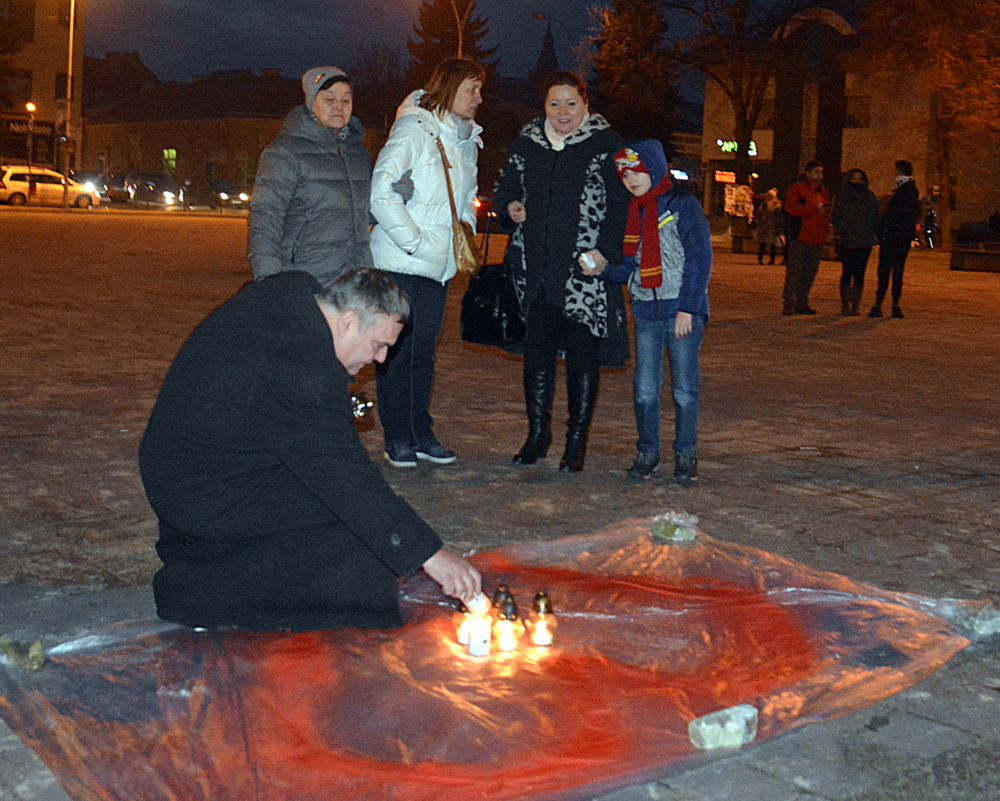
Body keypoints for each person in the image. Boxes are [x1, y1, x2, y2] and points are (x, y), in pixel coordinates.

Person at [139, 268, 482, 631]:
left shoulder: (292, 295)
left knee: (348, 515)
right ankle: (198, 591)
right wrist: (429, 554)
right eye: (378, 344)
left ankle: (200, 559)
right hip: (200, 490)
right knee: (353, 546)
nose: (381, 359)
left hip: (186, 464)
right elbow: (344, 476)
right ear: (347, 322)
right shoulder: (302, 366)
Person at [493, 70, 630, 473]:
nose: (563, 111)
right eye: (554, 103)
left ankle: (576, 441)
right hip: (535, 269)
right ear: (544, 107)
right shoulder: (527, 144)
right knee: (537, 356)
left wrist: (606, 252)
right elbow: (505, 187)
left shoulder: (607, 146)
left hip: (583, 272)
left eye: (571, 103)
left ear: (586, 104)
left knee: (582, 358)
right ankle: (538, 435)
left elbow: (620, 207)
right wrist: (510, 207)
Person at [369, 58, 485, 469]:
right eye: (471, 89)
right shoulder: (414, 128)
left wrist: (463, 232)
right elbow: (381, 191)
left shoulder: (467, 139)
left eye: (479, 90)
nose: (478, 98)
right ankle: (397, 437)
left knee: (423, 354)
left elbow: (467, 197)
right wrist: (414, 241)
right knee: (397, 352)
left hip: (439, 266)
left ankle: (421, 433)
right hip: (400, 262)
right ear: (449, 88)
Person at [582, 140, 711, 486]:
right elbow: (629, 267)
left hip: (680, 310)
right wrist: (601, 271)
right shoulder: (633, 211)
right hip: (646, 311)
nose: (631, 180)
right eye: (625, 175)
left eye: (637, 172)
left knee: (684, 389)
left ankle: (686, 453)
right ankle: (648, 452)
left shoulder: (682, 204)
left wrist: (689, 307)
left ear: (654, 169)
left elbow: (699, 258)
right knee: (644, 389)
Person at [248, 67, 372, 285]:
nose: (339, 107)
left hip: (354, 278)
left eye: (346, 100)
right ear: (311, 102)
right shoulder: (285, 151)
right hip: (304, 277)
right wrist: (269, 279)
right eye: (329, 99)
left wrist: (396, 191)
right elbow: (265, 218)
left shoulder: (357, 152)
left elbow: (362, 212)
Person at [870, 160, 919, 319]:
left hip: (894, 238)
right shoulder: (907, 190)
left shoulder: (905, 191)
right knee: (894, 272)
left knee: (888, 272)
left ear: (900, 171)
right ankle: (890, 305)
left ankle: (883, 304)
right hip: (898, 238)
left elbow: (897, 215)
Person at [782, 161, 831, 315]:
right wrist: (813, 210)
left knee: (809, 273)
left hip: (817, 239)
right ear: (807, 173)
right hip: (800, 237)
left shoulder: (824, 192)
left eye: (821, 172)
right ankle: (789, 303)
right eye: (816, 172)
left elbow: (826, 214)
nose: (819, 175)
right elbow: (791, 208)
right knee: (795, 273)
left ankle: (802, 302)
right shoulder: (798, 189)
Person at [830, 168, 880, 316]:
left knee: (860, 273)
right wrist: (845, 229)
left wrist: (872, 233)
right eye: (854, 179)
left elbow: (875, 217)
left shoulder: (869, 196)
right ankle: (845, 303)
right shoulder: (843, 196)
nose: (857, 182)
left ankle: (855, 305)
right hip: (847, 240)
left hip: (864, 240)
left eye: (860, 179)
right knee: (847, 271)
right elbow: (835, 217)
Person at [754, 188, 784, 265]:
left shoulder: (770, 205)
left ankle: (764, 259)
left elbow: (759, 215)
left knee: (767, 244)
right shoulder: (773, 205)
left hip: (768, 226)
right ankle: (766, 259)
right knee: (768, 244)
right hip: (769, 226)